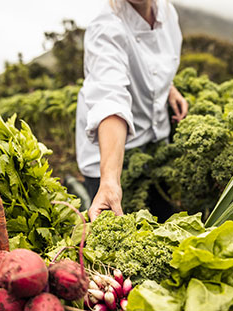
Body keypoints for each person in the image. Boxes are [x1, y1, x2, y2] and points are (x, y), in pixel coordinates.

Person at [75, 0, 188, 222]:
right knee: (120, 237)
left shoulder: (166, 11)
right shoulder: (106, 26)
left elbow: (156, 62)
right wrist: (109, 180)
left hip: (154, 141)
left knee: (163, 216)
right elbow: (110, 98)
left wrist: (169, 88)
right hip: (109, 153)